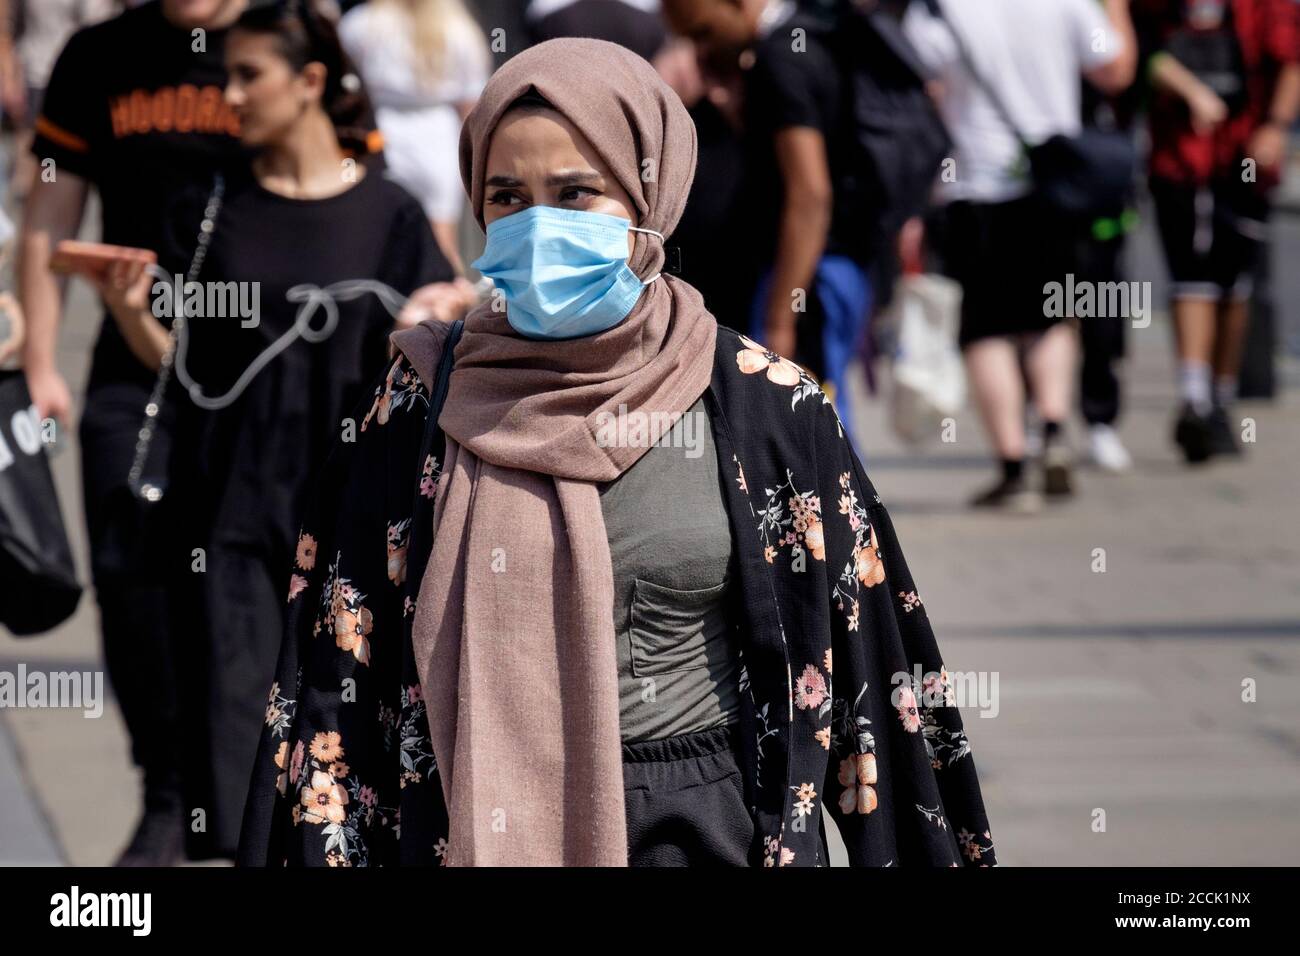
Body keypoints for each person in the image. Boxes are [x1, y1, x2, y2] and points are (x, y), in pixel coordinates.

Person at [237, 37, 996, 868]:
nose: (538, 227)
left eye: (575, 193)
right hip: (467, 819)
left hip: (703, 826)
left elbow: (874, 672)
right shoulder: (421, 398)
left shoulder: (763, 404)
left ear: (649, 194)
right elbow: (334, 673)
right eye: (508, 197)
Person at [95, 0, 455, 862]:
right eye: (224, 75)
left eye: (248, 74)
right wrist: (123, 309)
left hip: (355, 529)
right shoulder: (210, 207)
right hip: (232, 522)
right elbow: (185, 373)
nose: (230, 94)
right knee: (235, 762)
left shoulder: (391, 214)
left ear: (310, 82)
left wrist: (444, 315)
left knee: (341, 754)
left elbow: (441, 344)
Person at [16, 0, 252, 865]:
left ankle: (246, 792)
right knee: (132, 568)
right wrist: (40, 361)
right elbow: (48, 209)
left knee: (245, 576)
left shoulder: (288, 36)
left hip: (260, 363)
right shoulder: (97, 56)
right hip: (131, 370)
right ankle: (169, 793)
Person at [902, 0, 1136, 511]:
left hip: (972, 185)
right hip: (1051, 183)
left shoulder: (939, 13)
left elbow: (924, 88)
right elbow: (1116, 69)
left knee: (986, 329)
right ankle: (1053, 429)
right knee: (1049, 315)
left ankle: (1014, 467)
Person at [663, 0, 876, 439]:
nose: (699, 50)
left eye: (702, 31)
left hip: (809, 274)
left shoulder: (782, 58)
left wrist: (782, 318)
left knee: (806, 426)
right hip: (830, 265)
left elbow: (810, 192)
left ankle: (835, 509)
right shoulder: (812, 39)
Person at [1133, 0, 1300, 463]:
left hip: (1243, 156)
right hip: (1179, 157)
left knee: (1234, 284)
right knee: (1190, 277)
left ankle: (1221, 396)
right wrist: (1186, 90)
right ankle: (1194, 398)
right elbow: (1140, 50)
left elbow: (1290, 60)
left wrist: (1275, 127)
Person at [338, 0, 491, 272]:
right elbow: (471, 107)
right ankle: (443, 309)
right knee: (443, 243)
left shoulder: (360, 23)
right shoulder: (458, 28)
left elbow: (345, 91)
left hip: (381, 133)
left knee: (377, 235)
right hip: (438, 138)